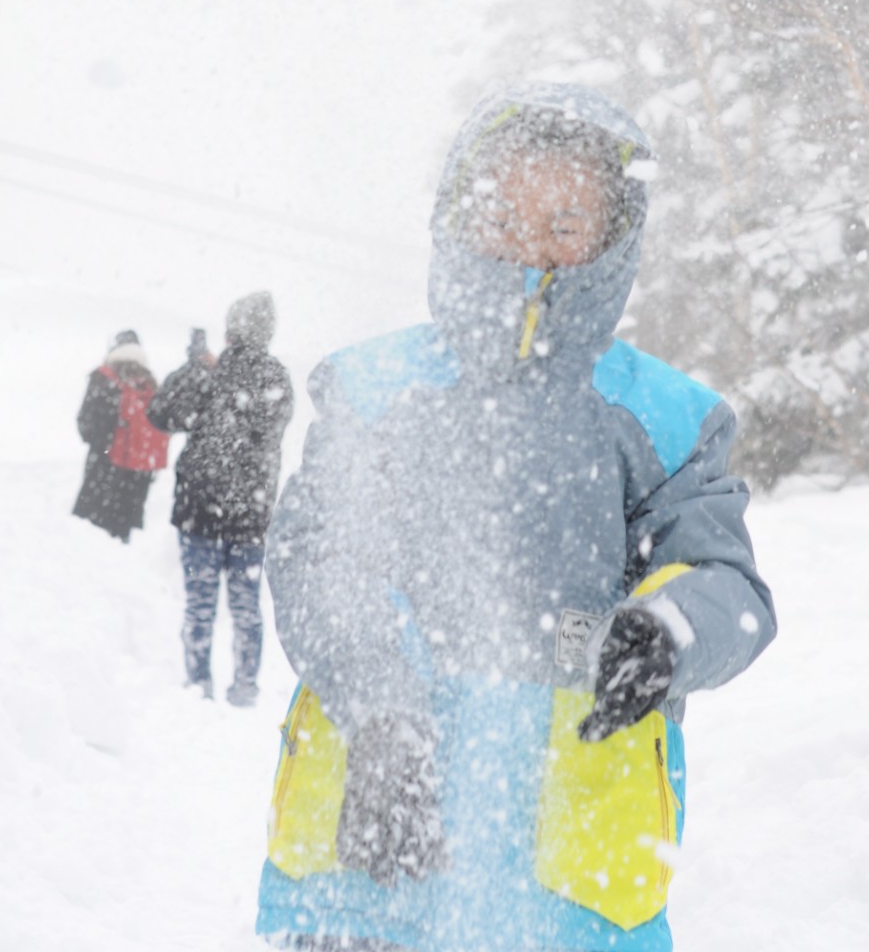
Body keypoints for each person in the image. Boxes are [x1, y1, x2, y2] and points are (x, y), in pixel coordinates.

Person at [256, 83, 776, 952]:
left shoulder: (665, 418)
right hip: (373, 846)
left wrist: (665, 632)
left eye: (566, 228)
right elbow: (318, 560)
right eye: (503, 217)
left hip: (571, 874)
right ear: (456, 219)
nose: (530, 250)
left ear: (612, 244)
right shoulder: (375, 391)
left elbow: (727, 583)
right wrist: (379, 710)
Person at [150, 294, 294, 705]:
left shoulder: (210, 375)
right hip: (250, 513)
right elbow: (265, 428)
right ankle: (244, 686)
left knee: (200, 605)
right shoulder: (277, 379)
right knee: (246, 607)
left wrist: (195, 365)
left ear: (231, 330)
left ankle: (199, 684)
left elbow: (159, 414)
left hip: (200, 510)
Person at [72, 329, 169, 543]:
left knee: (88, 538)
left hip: (104, 470)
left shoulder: (105, 377)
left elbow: (86, 424)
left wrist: (104, 445)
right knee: (120, 541)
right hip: (137, 477)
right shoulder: (149, 382)